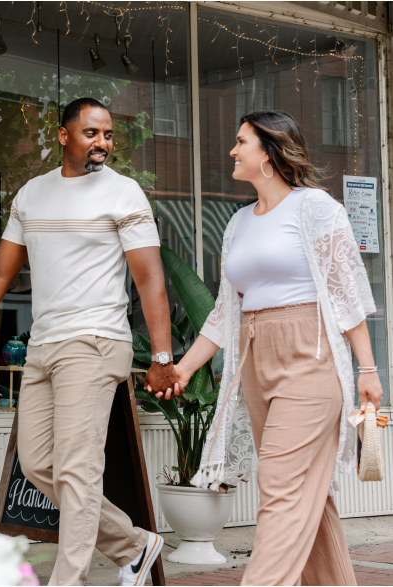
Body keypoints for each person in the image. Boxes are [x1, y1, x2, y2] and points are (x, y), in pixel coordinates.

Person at [0, 97, 176, 586]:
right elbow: (2, 270)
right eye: (92, 133)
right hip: (44, 345)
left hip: (94, 342)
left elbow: (150, 279)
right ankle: (134, 544)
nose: (103, 143)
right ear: (64, 135)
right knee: (37, 462)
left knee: (77, 468)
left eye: (109, 135)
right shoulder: (32, 194)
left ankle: (67, 580)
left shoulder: (123, 193)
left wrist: (161, 356)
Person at [157, 110, 381, 585]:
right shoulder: (238, 222)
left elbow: (348, 294)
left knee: (279, 487)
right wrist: (182, 368)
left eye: (241, 142)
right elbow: (223, 312)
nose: (233, 150)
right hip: (256, 360)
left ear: (270, 151)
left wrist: (368, 370)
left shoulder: (316, 208)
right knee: (307, 496)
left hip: (310, 357)